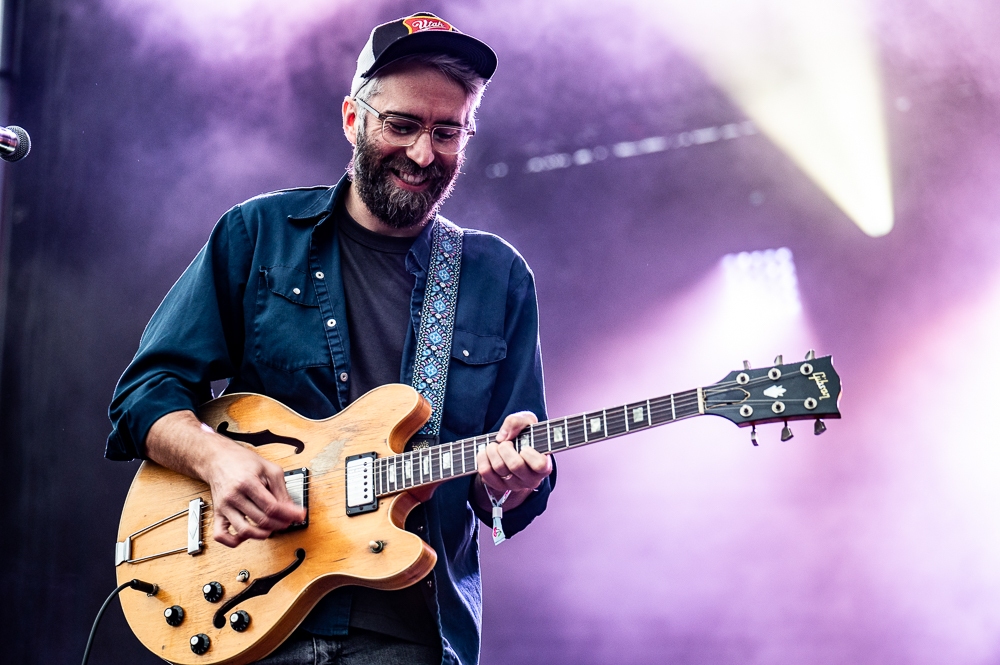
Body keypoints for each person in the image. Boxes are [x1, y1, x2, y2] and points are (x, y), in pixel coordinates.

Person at [106, 12, 555, 665]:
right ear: (354, 118)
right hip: (246, 608)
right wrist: (216, 458)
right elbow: (144, 394)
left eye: (447, 132)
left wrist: (510, 482)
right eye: (401, 125)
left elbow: (511, 478)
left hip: (404, 633)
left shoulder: (497, 276)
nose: (424, 153)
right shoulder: (258, 233)